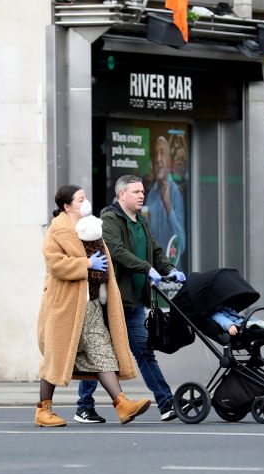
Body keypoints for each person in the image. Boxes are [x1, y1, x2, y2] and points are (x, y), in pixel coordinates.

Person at [34, 185, 151, 427]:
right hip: (66, 306)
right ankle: (43, 410)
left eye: (85, 197)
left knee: (103, 353)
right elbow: (56, 264)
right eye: (80, 198)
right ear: (67, 206)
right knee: (56, 358)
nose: (85, 201)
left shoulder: (91, 227)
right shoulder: (58, 230)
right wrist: (85, 263)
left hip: (93, 305)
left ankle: (121, 403)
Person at [75, 175, 185, 423]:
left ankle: (167, 403)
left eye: (142, 192)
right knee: (101, 355)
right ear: (121, 194)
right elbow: (115, 250)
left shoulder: (140, 222)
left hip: (134, 303)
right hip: (113, 302)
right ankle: (84, 406)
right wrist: (147, 269)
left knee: (145, 353)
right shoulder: (110, 219)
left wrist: (169, 269)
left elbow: (156, 250)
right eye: (135, 192)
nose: (141, 195)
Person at [145, 136, 187, 266]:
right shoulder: (151, 195)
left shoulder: (175, 192)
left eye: (162, 153)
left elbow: (182, 245)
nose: (158, 159)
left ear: (169, 162)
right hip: (153, 274)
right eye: (155, 154)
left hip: (172, 277)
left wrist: (168, 206)